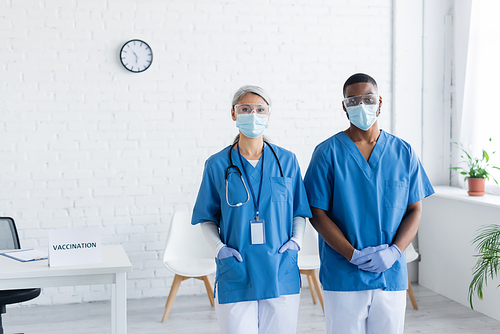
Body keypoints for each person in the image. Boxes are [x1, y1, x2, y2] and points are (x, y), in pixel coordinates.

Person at [304, 73, 435, 334]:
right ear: (344, 106)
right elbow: (316, 214)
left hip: (390, 274)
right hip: (344, 274)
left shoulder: (403, 151)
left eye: (368, 98)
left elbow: (415, 210)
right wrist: (351, 253)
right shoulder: (327, 152)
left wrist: (395, 252)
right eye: (353, 101)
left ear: (379, 101)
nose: (362, 105)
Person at [191, 85, 312, 334]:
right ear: (234, 114)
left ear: (268, 115)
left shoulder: (286, 161)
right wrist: (219, 249)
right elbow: (206, 217)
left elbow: (299, 211)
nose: (253, 115)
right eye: (245, 109)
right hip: (237, 268)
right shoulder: (217, 164)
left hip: (280, 268)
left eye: (260, 109)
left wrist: (296, 242)